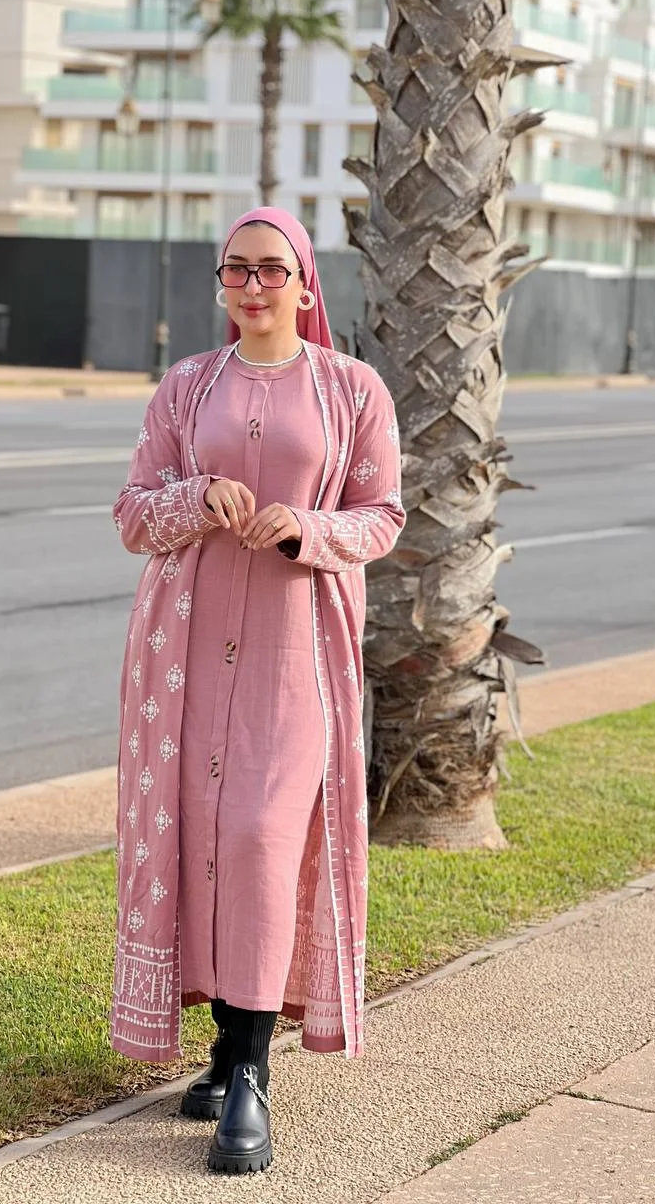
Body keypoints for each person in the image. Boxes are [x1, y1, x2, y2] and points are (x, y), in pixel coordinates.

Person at [110, 206, 405, 1175]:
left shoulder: (351, 389)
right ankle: (225, 1045)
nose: (252, 286)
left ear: (305, 281)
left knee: (261, 838)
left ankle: (250, 1076)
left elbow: (383, 515)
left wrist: (306, 529)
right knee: (202, 844)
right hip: (186, 659)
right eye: (235, 269)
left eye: (271, 269)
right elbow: (132, 513)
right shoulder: (187, 385)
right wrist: (196, 498)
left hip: (294, 656)